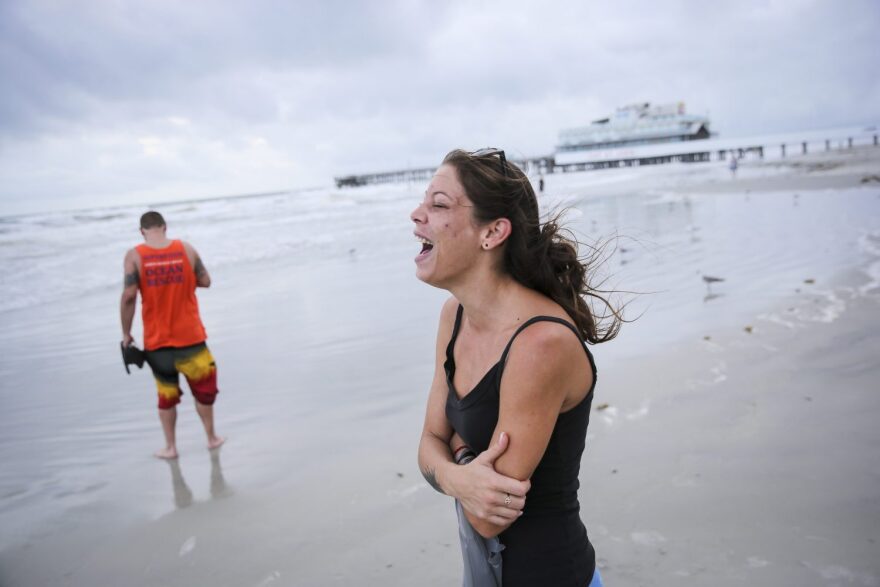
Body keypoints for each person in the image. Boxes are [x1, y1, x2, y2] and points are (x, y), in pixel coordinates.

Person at [413, 148, 620, 586]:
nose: (416, 215)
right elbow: (429, 440)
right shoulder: (454, 316)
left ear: (493, 232)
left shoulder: (540, 344)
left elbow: (490, 518)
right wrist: (461, 475)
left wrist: (454, 457)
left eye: (439, 204)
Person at [120, 211, 224, 459]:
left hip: (158, 344)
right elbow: (206, 281)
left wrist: (126, 333)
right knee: (205, 392)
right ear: (165, 227)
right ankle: (211, 438)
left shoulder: (134, 256)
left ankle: (171, 447)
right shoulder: (186, 249)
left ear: (141, 231)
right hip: (192, 339)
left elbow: (129, 296)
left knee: (166, 395)